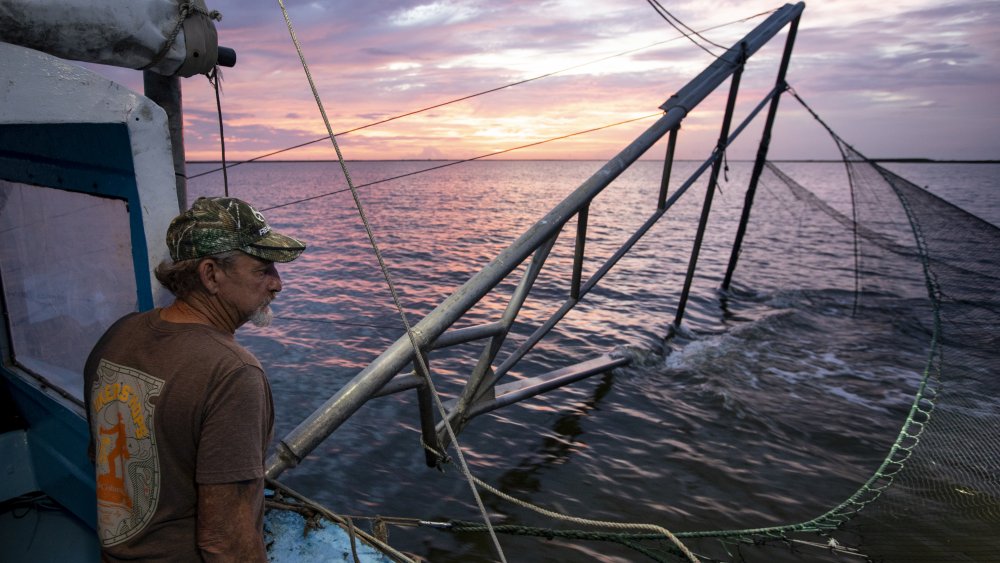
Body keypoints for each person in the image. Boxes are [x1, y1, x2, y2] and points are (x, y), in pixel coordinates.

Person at [84, 196, 306, 561]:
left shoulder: (118, 334)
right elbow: (225, 542)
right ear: (210, 274)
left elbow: (101, 457)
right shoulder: (233, 373)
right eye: (263, 269)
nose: (277, 285)